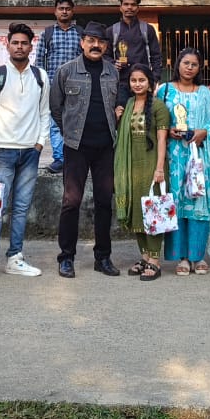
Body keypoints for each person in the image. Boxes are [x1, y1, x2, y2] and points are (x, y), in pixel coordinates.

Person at [0, 22, 48, 281]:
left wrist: (39, 143)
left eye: (24, 43)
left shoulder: (40, 76)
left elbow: (44, 112)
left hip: (30, 152)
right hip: (2, 151)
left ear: (31, 46)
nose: (19, 47)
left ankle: (15, 257)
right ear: (7, 45)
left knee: (21, 208)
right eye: (15, 43)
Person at [51, 22, 122, 278]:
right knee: (71, 202)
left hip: (106, 147)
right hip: (76, 146)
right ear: (82, 43)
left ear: (106, 46)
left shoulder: (113, 72)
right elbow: (56, 108)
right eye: (91, 40)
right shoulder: (66, 71)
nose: (95, 45)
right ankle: (66, 257)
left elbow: (118, 104)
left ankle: (102, 257)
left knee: (104, 202)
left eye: (101, 41)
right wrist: (69, 132)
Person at [157, 47, 210, 275]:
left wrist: (204, 132)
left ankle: (198, 255)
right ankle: (182, 257)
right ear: (178, 64)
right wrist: (169, 130)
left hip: (198, 156)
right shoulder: (165, 90)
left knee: (198, 203)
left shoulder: (204, 92)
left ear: (199, 68)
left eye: (194, 64)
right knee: (177, 202)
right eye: (186, 63)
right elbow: (156, 121)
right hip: (173, 157)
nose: (189, 68)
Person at [115, 64, 170, 281]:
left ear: (150, 83)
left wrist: (159, 168)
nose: (137, 84)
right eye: (133, 80)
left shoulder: (158, 106)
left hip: (151, 164)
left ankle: (155, 260)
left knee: (153, 212)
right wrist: (118, 117)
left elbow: (162, 140)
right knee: (137, 212)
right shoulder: (128, 104)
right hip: (131, 165)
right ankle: (145, 256)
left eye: (141, 80)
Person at [35, 0, 80, 173]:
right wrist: (41, 84)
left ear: (72, 11)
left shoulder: (80, 33)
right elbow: (39, 61)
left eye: (68, 9)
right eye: (61, 9)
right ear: (55, 11)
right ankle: (60, 159)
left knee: (76, 122)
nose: (64, 12)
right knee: (55, 123)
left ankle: (74, 158)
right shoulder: (47, 33)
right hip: (54, 86)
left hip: (77, 86)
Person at [106, 0, 163, 102]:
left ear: (138, 8)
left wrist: (154, 78)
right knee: (121, 111)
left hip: (143, 83)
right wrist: (113, 63)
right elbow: (104, 55)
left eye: (133, 4)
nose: (129, 7)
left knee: (144, 112)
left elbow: (156, 56)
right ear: (120, 7)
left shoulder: (147, 29)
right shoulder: (112, 30)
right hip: (120, 83)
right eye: (126, 4)